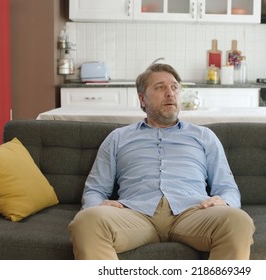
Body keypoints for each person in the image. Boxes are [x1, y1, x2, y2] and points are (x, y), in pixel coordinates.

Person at [68, 63, 255, 260]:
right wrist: (98, 205)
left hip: (193, 214)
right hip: (134, 214)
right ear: (142, 99)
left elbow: (228, 188)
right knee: (86, 221)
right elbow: (95, 190)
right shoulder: (118, 138)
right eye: (160, 87)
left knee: (239, 220)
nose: (170, 93)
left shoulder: (204, 136)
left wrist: (223, 201)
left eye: (174, 87)